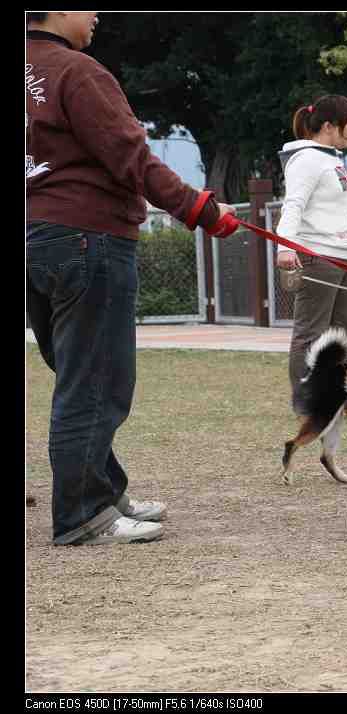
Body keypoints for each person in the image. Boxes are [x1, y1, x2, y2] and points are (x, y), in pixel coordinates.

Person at [26, 12, 239, 545]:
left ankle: (104, 490)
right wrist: (200, 209)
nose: (95, 15)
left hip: (35, 240)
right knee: (96, 380)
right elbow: (131, 157)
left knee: (80, 377)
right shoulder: (77, 72)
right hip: (87, 238)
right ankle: (83, 514)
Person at [274, 96, 347, 400]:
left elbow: (326, 199)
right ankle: (306, 399)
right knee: (311, 334)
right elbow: (295, 204)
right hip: (319, 256)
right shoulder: (307, 159)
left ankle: (338, 395)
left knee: (341, 334)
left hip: (344, 256)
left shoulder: (330, 158)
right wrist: (285, 247)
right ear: (329, 126)